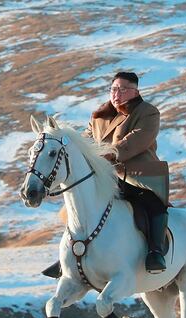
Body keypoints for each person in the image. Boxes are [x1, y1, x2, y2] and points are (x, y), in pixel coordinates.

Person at [42, 71, 169, 278]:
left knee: (153, 204)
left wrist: (111, 153)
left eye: (122, 89)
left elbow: (137, 140)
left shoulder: (147, 113)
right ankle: (71, 255)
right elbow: (86, 141)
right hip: (105, 175)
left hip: (137, 175)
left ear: (135, 91)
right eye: (113, 89)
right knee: (76, 206)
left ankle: (155, 252)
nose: (116, 94)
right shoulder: (99, 115)